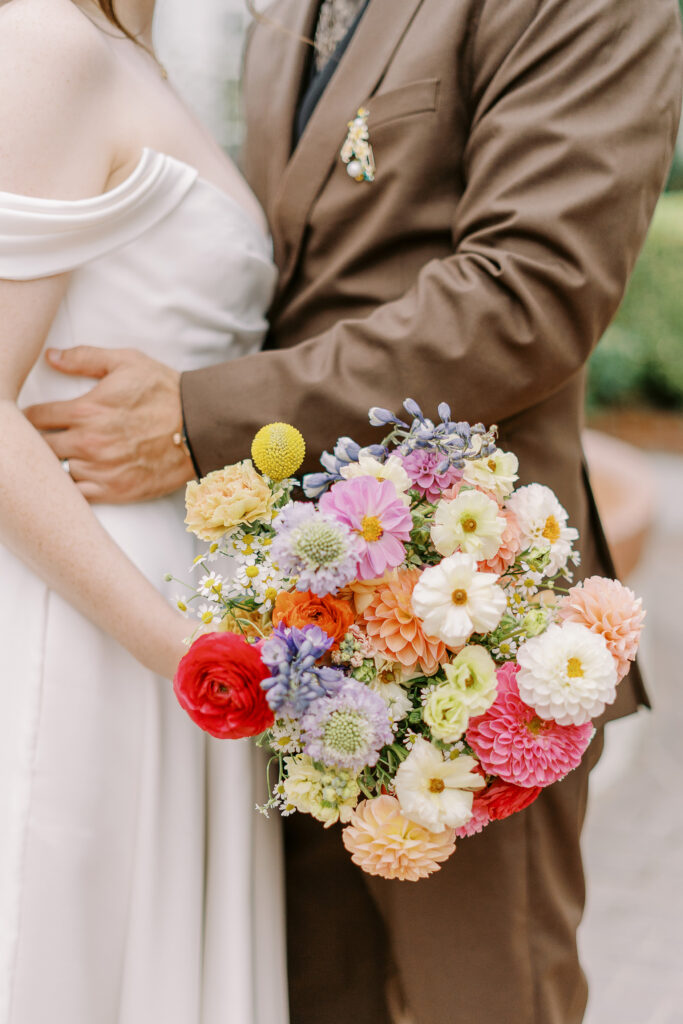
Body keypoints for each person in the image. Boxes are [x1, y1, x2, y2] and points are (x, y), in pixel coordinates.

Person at [22, 0, 683, 1022]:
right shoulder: (281, 11)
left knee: (483, 1000)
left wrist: (205, 416)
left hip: (462, 635)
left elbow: (528, 292)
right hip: (273, 625)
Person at [0, 0, 289, 1021]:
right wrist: (173, 648)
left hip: (179, 605)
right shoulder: (46, 40)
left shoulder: (139, 52)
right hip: (91, 615)